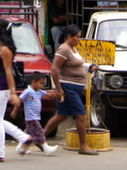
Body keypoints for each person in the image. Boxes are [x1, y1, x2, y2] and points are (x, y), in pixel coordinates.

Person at [43, 24, 100, 156]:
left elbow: (77, 64)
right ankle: (84, 146)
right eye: (78, 37)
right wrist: (58, 89)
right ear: (69, 36)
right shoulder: (63, 49)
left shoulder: (73, 49)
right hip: (68, 87)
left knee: (61, 116)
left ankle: (38, 138)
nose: (79, 40)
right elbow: (54, 69)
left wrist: (89, 66)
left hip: (75, 87)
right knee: (81, 115)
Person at [0, 18, 32, 162]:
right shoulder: (2, 47)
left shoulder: (5, 50)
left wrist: (12, 92)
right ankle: (23, 137)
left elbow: (8, 71)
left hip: (2, 86)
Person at [12, 72, 60, 156]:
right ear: (34, 82)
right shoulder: (28, 92)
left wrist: (57, 95)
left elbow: (47, 95)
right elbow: (19, 100)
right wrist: (15, 111)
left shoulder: (39, 92)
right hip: (31, 117)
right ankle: (46, 148)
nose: (42, 86)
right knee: (40, 131)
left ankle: (20, 147)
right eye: (40, 83)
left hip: (36, 116)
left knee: (28, 133)